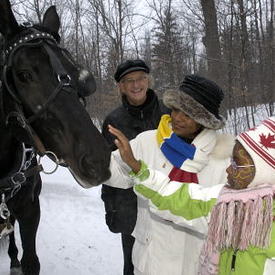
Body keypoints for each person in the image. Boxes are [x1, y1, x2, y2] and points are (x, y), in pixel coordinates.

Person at [104, 74, 234, 275]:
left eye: (188, 114)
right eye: (175, 110)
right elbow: (112, 170)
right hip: (150, 262)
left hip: (193, 264)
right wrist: (75, 151)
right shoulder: (149, 141)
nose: (177, 118)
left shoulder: (221, 161)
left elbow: (216, 220)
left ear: (204, 120)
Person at [116, 116, 275, 275]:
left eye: (236, 163)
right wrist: (138, 168)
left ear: (265, 170)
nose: (228, 170)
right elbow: (181, 199)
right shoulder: (227, 202)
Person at [101, 59, 169, 275]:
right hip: (131, 209)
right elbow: (108, 169)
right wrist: (112, 209)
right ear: (121, 86)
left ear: (148, 80)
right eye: (129, 80)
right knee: (134, 264)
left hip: (168, 203)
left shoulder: (169, 114)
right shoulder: (113, 121)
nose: (136, 84)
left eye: (140, 78)